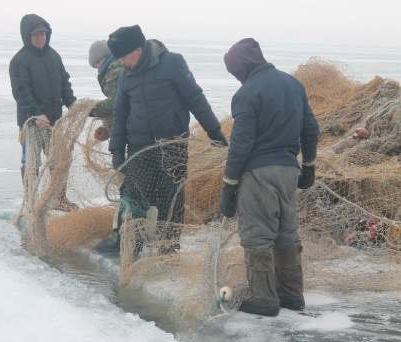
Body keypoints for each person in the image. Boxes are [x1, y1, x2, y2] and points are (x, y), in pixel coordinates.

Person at [96, 25, 228, 254]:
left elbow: (195, 99)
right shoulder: (126, 75)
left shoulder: (173, 63)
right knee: (133, 196)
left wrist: (214, 133)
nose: (123, 63)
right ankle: (131, 246)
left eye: (125, 57)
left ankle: (168, 248)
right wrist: (117, 150)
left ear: (138, 49)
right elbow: (120, 114)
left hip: (172, 144)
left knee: (171, 198)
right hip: (138, 147)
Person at [219, 38, 319, 316]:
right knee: (286, 233)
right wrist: (309, 164)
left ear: (243, 67)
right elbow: (310, 128)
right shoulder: (293, 84)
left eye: (235, 72)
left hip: (258, 173)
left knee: (257, 236)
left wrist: (229, 185)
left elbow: (241, 143)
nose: (236, 77)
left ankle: (264, 299)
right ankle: (291, 294)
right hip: (289, 170)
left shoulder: (247, 93)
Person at [9, 13, 77, 211]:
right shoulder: (19, 61)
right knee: (31, 163)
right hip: (30, 122)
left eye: (44, 34)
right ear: (27, 36)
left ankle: (59, 198)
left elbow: (65, 82)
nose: (41, 38)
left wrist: (72, 103)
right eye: (36, 34)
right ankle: (31, 201)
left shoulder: (54, 56)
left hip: (54, 120)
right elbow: (21, 92)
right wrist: (37, 113)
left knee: (60, 160)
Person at [88, 40, 124, 141]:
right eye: (95, 66)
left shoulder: (115, 70)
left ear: (105, 57)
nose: (98, 68)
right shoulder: (112, 68)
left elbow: (115, 101)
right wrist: (106, 128)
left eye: (98, 63)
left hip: (132, 127)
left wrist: (92, 110)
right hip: (128, 125)